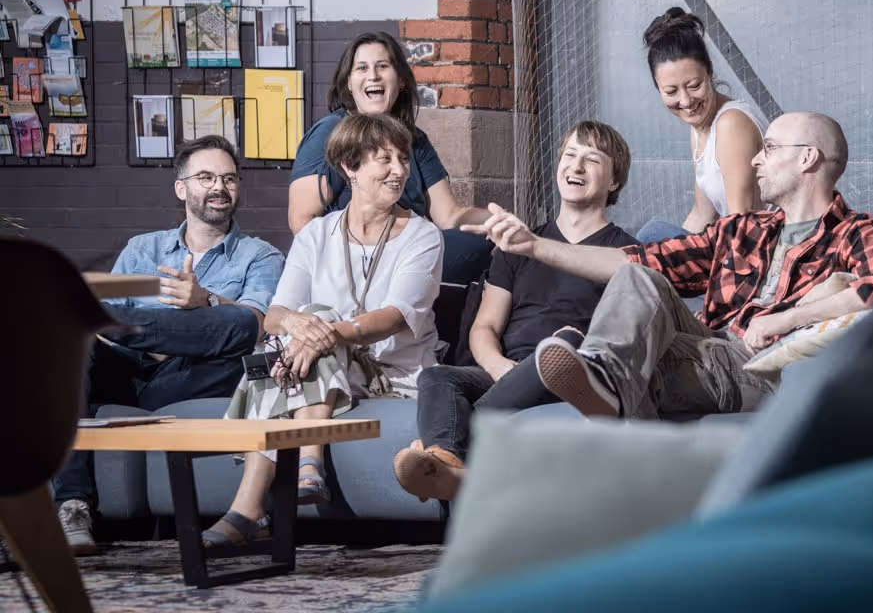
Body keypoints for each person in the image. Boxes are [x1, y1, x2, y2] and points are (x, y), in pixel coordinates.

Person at [465, 112, 873, 420]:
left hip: (762, 367)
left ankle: (590, 406)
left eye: (769, 148)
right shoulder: (741, 229)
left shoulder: (855, 231)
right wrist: (535, 246)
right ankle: (602, 386)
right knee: (638, 278)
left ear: (807, 158)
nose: (755, 158)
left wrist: (788, 317)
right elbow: (636, 260)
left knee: (619, 375)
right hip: (708, 347)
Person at [201, 114, 444, 548]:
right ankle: (304, 466)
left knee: (308, 330)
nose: (399, 169)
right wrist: (301, 325)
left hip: (393, 376)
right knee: (293, 334)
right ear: (350, 167)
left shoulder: (423, 236)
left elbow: (394, 317)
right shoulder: (317, 233)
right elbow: (276, 314)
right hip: (324, 369)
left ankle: (252, 506)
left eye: (403, 159)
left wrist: (322, 331)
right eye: (383, 159)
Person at [55, 135, 284, 555]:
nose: (219, 187)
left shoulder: (260, 256)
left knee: (239, 327)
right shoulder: (143, 248)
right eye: (206, 177)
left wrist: (206, 301)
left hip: (188, 377)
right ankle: (72, 505)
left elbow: (256, 325)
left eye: (229, 179)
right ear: (182, 188)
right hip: (126, 371)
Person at [392, 121, 638, 502]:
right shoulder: (517, 244)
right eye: (570, 155)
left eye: (591, 159)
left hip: (572, 372)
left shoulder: (623, 255)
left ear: (614, 181)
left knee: (564, 344)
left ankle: (448, 458)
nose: (576, 166)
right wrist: (498, 368)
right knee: (438, 378)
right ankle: (446, 459)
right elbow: (485, 327)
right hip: (508, 372)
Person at [289, 31, 492, 283]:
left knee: (486, 246)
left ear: (401, 80)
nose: (373, 75)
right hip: (354, 259)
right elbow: (301, 220)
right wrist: (341, 274)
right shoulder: (330, 134)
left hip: (407, 247)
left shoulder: (414, 138)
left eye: (382, 66)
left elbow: (449, 216)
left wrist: (496, 220)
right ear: (349, 84)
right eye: (362, 68)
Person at [636, 7, 768, 243]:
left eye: (694, 85)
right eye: (671, 91)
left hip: (760, 247)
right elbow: (703, 214)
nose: (686, 101)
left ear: (710, 73)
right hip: (732, 241)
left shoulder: (731, 123)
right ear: (658, 89)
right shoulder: (698, 129)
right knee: (651, 243)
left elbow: (743, 223)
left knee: (651, 235)